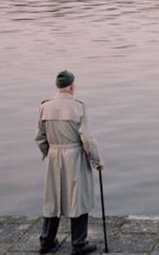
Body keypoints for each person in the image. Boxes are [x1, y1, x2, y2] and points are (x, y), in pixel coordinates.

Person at [35, 70, 103, 255]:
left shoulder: (44, 107)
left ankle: (46, 241)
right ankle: (78, 244)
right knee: (78, 198)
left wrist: (48, 153)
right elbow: (87, 139)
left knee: (52, 200)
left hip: (54, 155)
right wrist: (97, 161)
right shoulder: (78, 107)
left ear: (58, 86)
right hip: (74, 156)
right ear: (72, 86)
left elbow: (39, 138)